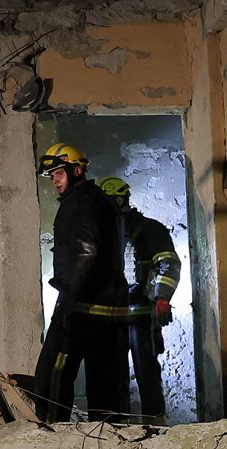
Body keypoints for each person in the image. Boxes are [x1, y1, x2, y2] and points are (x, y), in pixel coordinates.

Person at [31, 143, 130, 423]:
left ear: (77, 170)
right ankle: (110, 439)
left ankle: (52, 433)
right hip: (111, 308)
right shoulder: (102, 201)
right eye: (52, 176)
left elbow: (87, 251)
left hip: (84, 306)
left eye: (59, 173)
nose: (55, 181)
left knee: (52, 374)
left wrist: (69, 301)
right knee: (106, 381)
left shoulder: (78, 202)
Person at [98, 176, 182, 425]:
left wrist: (162, 299)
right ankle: (118, 429)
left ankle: (156, 426)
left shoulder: (149, 229)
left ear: (120, 200)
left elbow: (168, 264)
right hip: (111, 316)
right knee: (113, 376)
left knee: (146, 371)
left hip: (142, 316)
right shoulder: (104, 235)